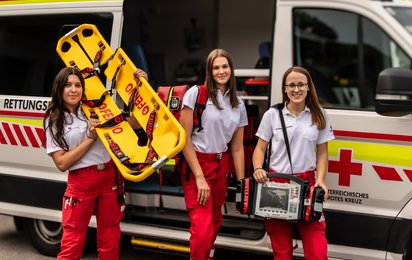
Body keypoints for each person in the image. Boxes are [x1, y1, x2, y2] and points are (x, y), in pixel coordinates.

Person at [43, 66, 147, 259]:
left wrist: (141, 88)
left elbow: (135, 122)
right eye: (68, 85)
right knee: (71, 246)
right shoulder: (54, 120)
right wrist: (90, 138)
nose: (73, 89)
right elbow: (62, 163)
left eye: (77, 85)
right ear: (59, 88)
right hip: (81, 182)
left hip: (110, 179)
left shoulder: (96, 107)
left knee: (110, 243)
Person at [252, 66, 334, 260]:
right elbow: (260, 148)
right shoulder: (272, 115)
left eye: (300, 85)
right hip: (276, 184)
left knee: (317, 249)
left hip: (307, 184)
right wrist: (257, 168)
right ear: (285, 89)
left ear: (308, 87)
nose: (296, 89)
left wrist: (321, 180)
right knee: (281, 250)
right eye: (291, 85)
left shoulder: (319, 114)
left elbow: (322, 152)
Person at [179, 48, 248, 260]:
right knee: (202, 227)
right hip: (197, 164)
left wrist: (241, 184)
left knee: (216, 219)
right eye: (215, 67)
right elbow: (184, 138)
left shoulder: (239, 104)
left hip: (221, 164)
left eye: (224, 66)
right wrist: (199, 176)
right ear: (209, 71)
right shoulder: (196, 94)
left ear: (231, 69)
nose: (221, 71)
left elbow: (237, 148)